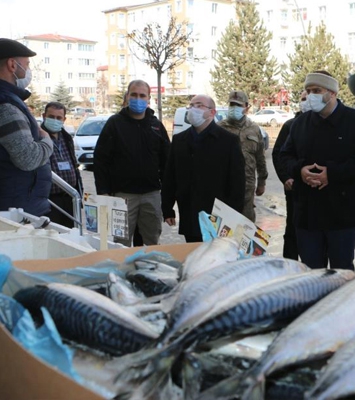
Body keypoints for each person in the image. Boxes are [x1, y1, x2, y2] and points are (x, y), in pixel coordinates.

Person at [280, 71, 355, 270]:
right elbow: (285, 155)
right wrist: (300, 171)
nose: (311, 95)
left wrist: (331, 174)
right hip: (307, 214)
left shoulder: (351, 120)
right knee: (311, 273)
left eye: (317, 90)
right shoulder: (300, 124)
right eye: (308, 90)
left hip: (342, 213)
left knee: (342, 272)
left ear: (332, 93)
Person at [93, 79, 170, 247]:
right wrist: (103, 191)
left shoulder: (156, 126)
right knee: (121, 242)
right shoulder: (115, 123)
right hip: (123, 196)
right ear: (127, 96)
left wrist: (168, 197)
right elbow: (101, 160)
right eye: (134, 95)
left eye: (142, 95)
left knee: (152, 240)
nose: (138, 99)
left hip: (151, 194)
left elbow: (166, 162)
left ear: (149, 99)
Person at [161, 94, 246, 243]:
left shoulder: (228, 141)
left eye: (199, 105)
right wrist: (167, 208)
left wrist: (233, 216)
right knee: (195, 255)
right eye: (191, 106)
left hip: (218, 215)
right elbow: (170, 177)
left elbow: (237, 183)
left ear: (212, 112)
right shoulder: (180, 140)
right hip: (189, 212)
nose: (194, 109)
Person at [0, 38, 53, 216]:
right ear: (12, 65)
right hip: (16, 211)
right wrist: (46, 140)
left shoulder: (9, 100)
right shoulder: (6, 105)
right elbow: (28, 158)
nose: (29, 70)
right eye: (27, 64)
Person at [218, 90, 268, 222]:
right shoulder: (219, 128)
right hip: (224, 187)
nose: (234, 108)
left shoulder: (254, 129)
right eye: (232, 105)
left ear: (247, 107)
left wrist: (262, 181)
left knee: (245, 227)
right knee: (224, 227)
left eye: (238, 105)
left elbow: (260, 158)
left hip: (247, 187)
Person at [272, 90, 310, 260]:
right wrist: (286, 177)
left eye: (309, 98)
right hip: (294, 187)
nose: (306, 101)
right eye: (303, 98)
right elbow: (279, 154)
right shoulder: (291, 125)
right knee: (293, 229)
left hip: (320, 188)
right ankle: (289, 265)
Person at [41, 101, 83, 228]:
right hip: (50, 200)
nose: (55, 120)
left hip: (70, 198)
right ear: (44, 116)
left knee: (72, 235)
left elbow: (74, 165)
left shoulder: (66, 138)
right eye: (51, 117)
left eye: (59, 118)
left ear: (64, 119)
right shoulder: (38, 137)